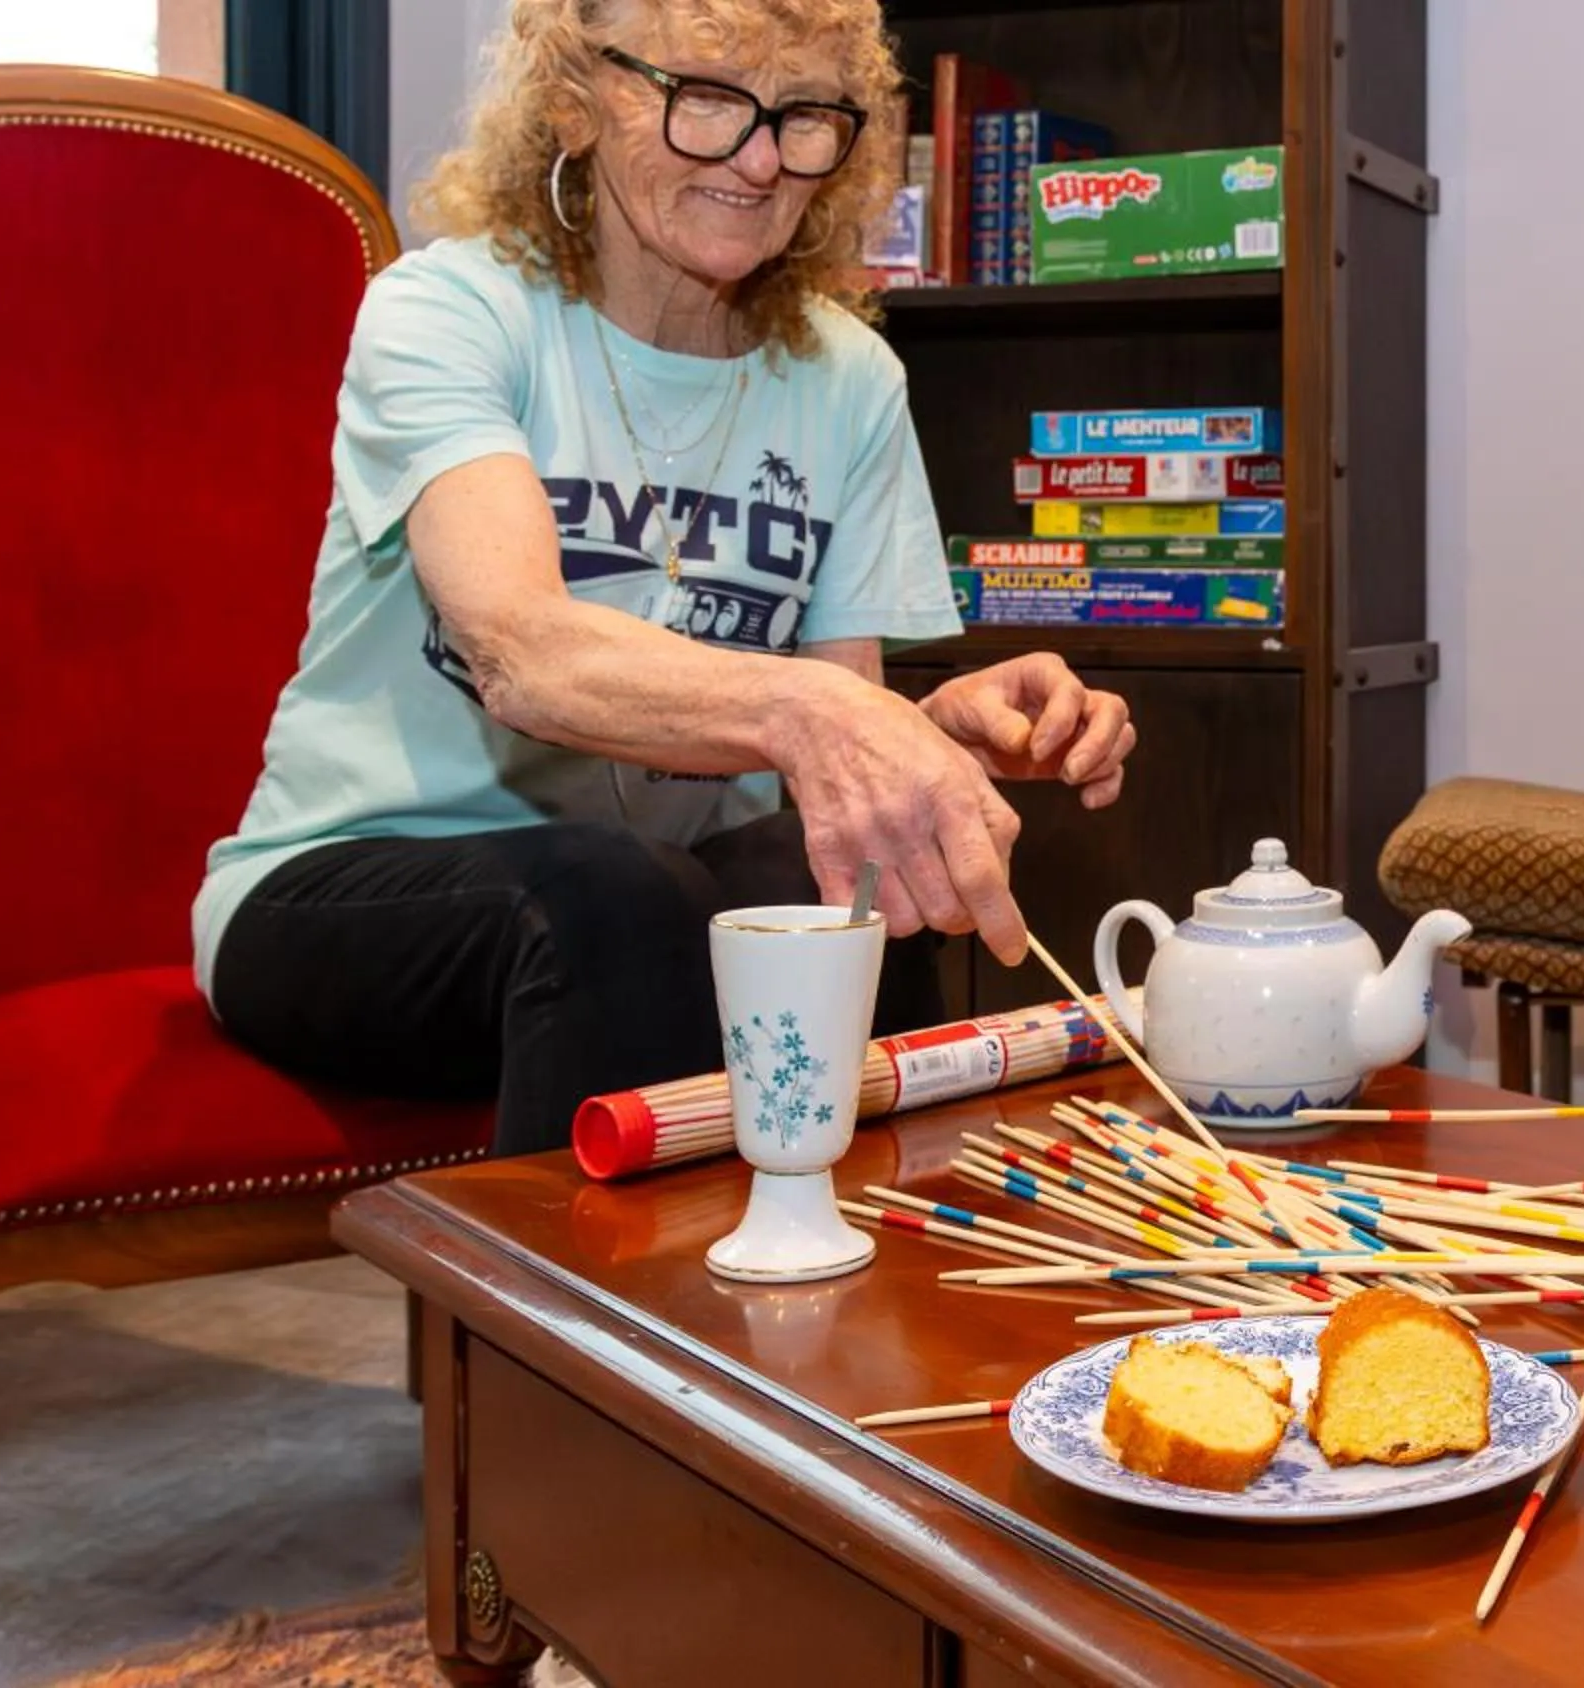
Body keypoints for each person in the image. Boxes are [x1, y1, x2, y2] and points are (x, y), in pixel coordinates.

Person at [194, 0, 1136, 1157]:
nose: (756, 156)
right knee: (616, 895)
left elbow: (831, 750)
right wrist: (825, 715)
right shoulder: (451, 309)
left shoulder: (851, 379)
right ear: (573, 102)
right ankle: (571, 1336)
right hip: (343, 895)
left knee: (857, 880)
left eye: (803, 117)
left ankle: (876, 1281)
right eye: (705, 98)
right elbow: (521, 655)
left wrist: (926, 739)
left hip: (662, 888)